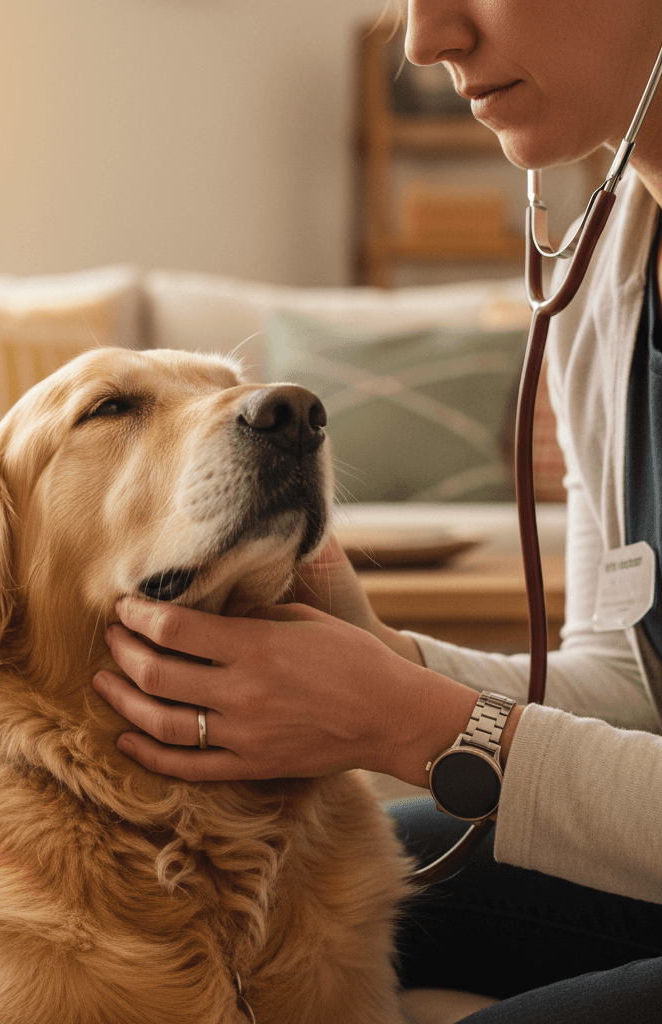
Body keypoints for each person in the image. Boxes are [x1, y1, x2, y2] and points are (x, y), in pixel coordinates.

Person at [91, 0, 662, 1019]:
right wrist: (380, 659)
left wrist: (419, 727)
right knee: (314, 889)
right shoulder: (608, 277)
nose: (423, 39)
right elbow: (628, 681)